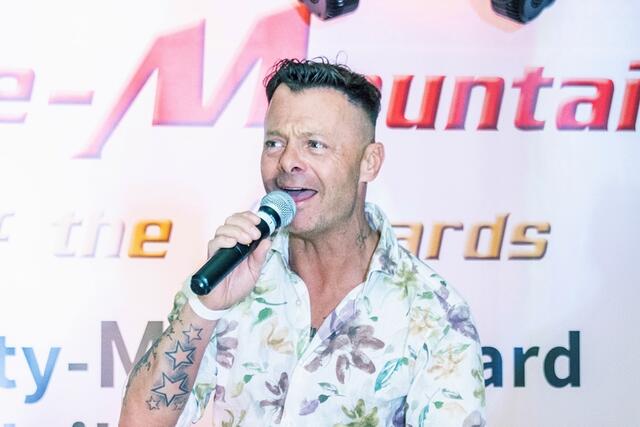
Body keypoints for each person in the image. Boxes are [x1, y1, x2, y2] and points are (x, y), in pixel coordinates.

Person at [120, 58, 486, 427]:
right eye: (274, 143)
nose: (288, 162)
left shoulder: (435, 312)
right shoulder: (233, 267)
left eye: (314, 144)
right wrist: (205, 308)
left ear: (369, 162)